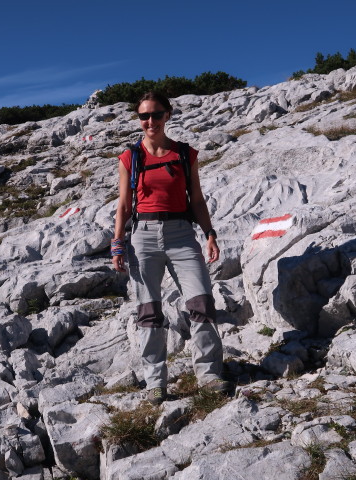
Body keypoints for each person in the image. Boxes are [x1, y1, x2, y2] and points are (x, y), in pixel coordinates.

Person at [111, 91, 230, 404]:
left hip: (181, 234)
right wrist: (117, 243)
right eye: (144, 116)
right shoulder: (130, 157)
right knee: (148, 312)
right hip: (142, 237)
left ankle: (209, 375)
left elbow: (198, 199)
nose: (150, 121)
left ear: (168, 115)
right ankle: (155, 383)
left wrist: (210, 233)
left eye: (156, 114)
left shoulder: (184, 154)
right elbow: (123, 205)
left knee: (202, 301)